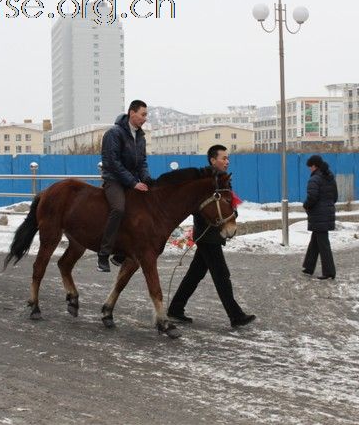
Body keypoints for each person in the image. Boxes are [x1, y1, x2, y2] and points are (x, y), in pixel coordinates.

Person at [167, 144, 256, 328]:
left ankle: (175, 309)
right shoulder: (205, 180)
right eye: (223, 158)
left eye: (228, 158)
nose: (227, 161)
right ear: (213, 160)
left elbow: (226, 204)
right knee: (221, 274)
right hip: (207, 234)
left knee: (195, 274)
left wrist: (231, 216)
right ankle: (236, 315)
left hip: (212, 234)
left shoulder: (222, 179)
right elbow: (199, 206)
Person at [97, 100, 152, 272]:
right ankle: (103, 254)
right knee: (119, 209)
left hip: (132, 181)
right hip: (114, 180)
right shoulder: (114, 133)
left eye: (146, 115)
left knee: (145, 209)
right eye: (143, 114)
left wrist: (148, 181)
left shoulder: (140, 136)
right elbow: (113, 163)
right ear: (131, 113)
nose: (145, 118)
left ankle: (122, 252)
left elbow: (142, 162)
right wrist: (133, 183)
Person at [302, 154, 338, 280]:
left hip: (319, 215)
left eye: (310, 167)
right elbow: (335, 197)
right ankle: (308, 267)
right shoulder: (329, 177)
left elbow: (312, 197)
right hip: (327, 213)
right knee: (316, 242)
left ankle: (329, 272)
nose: (309, 169)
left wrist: (306, 205)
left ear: (314, 166)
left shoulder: (314, 179)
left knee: (323, 244)